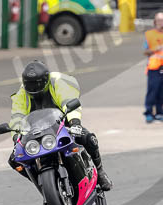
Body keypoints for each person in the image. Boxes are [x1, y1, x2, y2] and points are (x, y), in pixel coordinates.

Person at [8, 60, 113, 191]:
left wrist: (75, 123)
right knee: (15, 160)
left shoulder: (58, 83)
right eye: (30, 85)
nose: (34, 88)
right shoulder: (21, 94)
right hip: (36, 129)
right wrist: (16, 137)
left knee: (88, 138)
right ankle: (43, 186)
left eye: (38, 83)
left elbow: (68, 101)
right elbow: (17, 116)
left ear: (46, 80)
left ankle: (100, 171)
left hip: (63, 121)